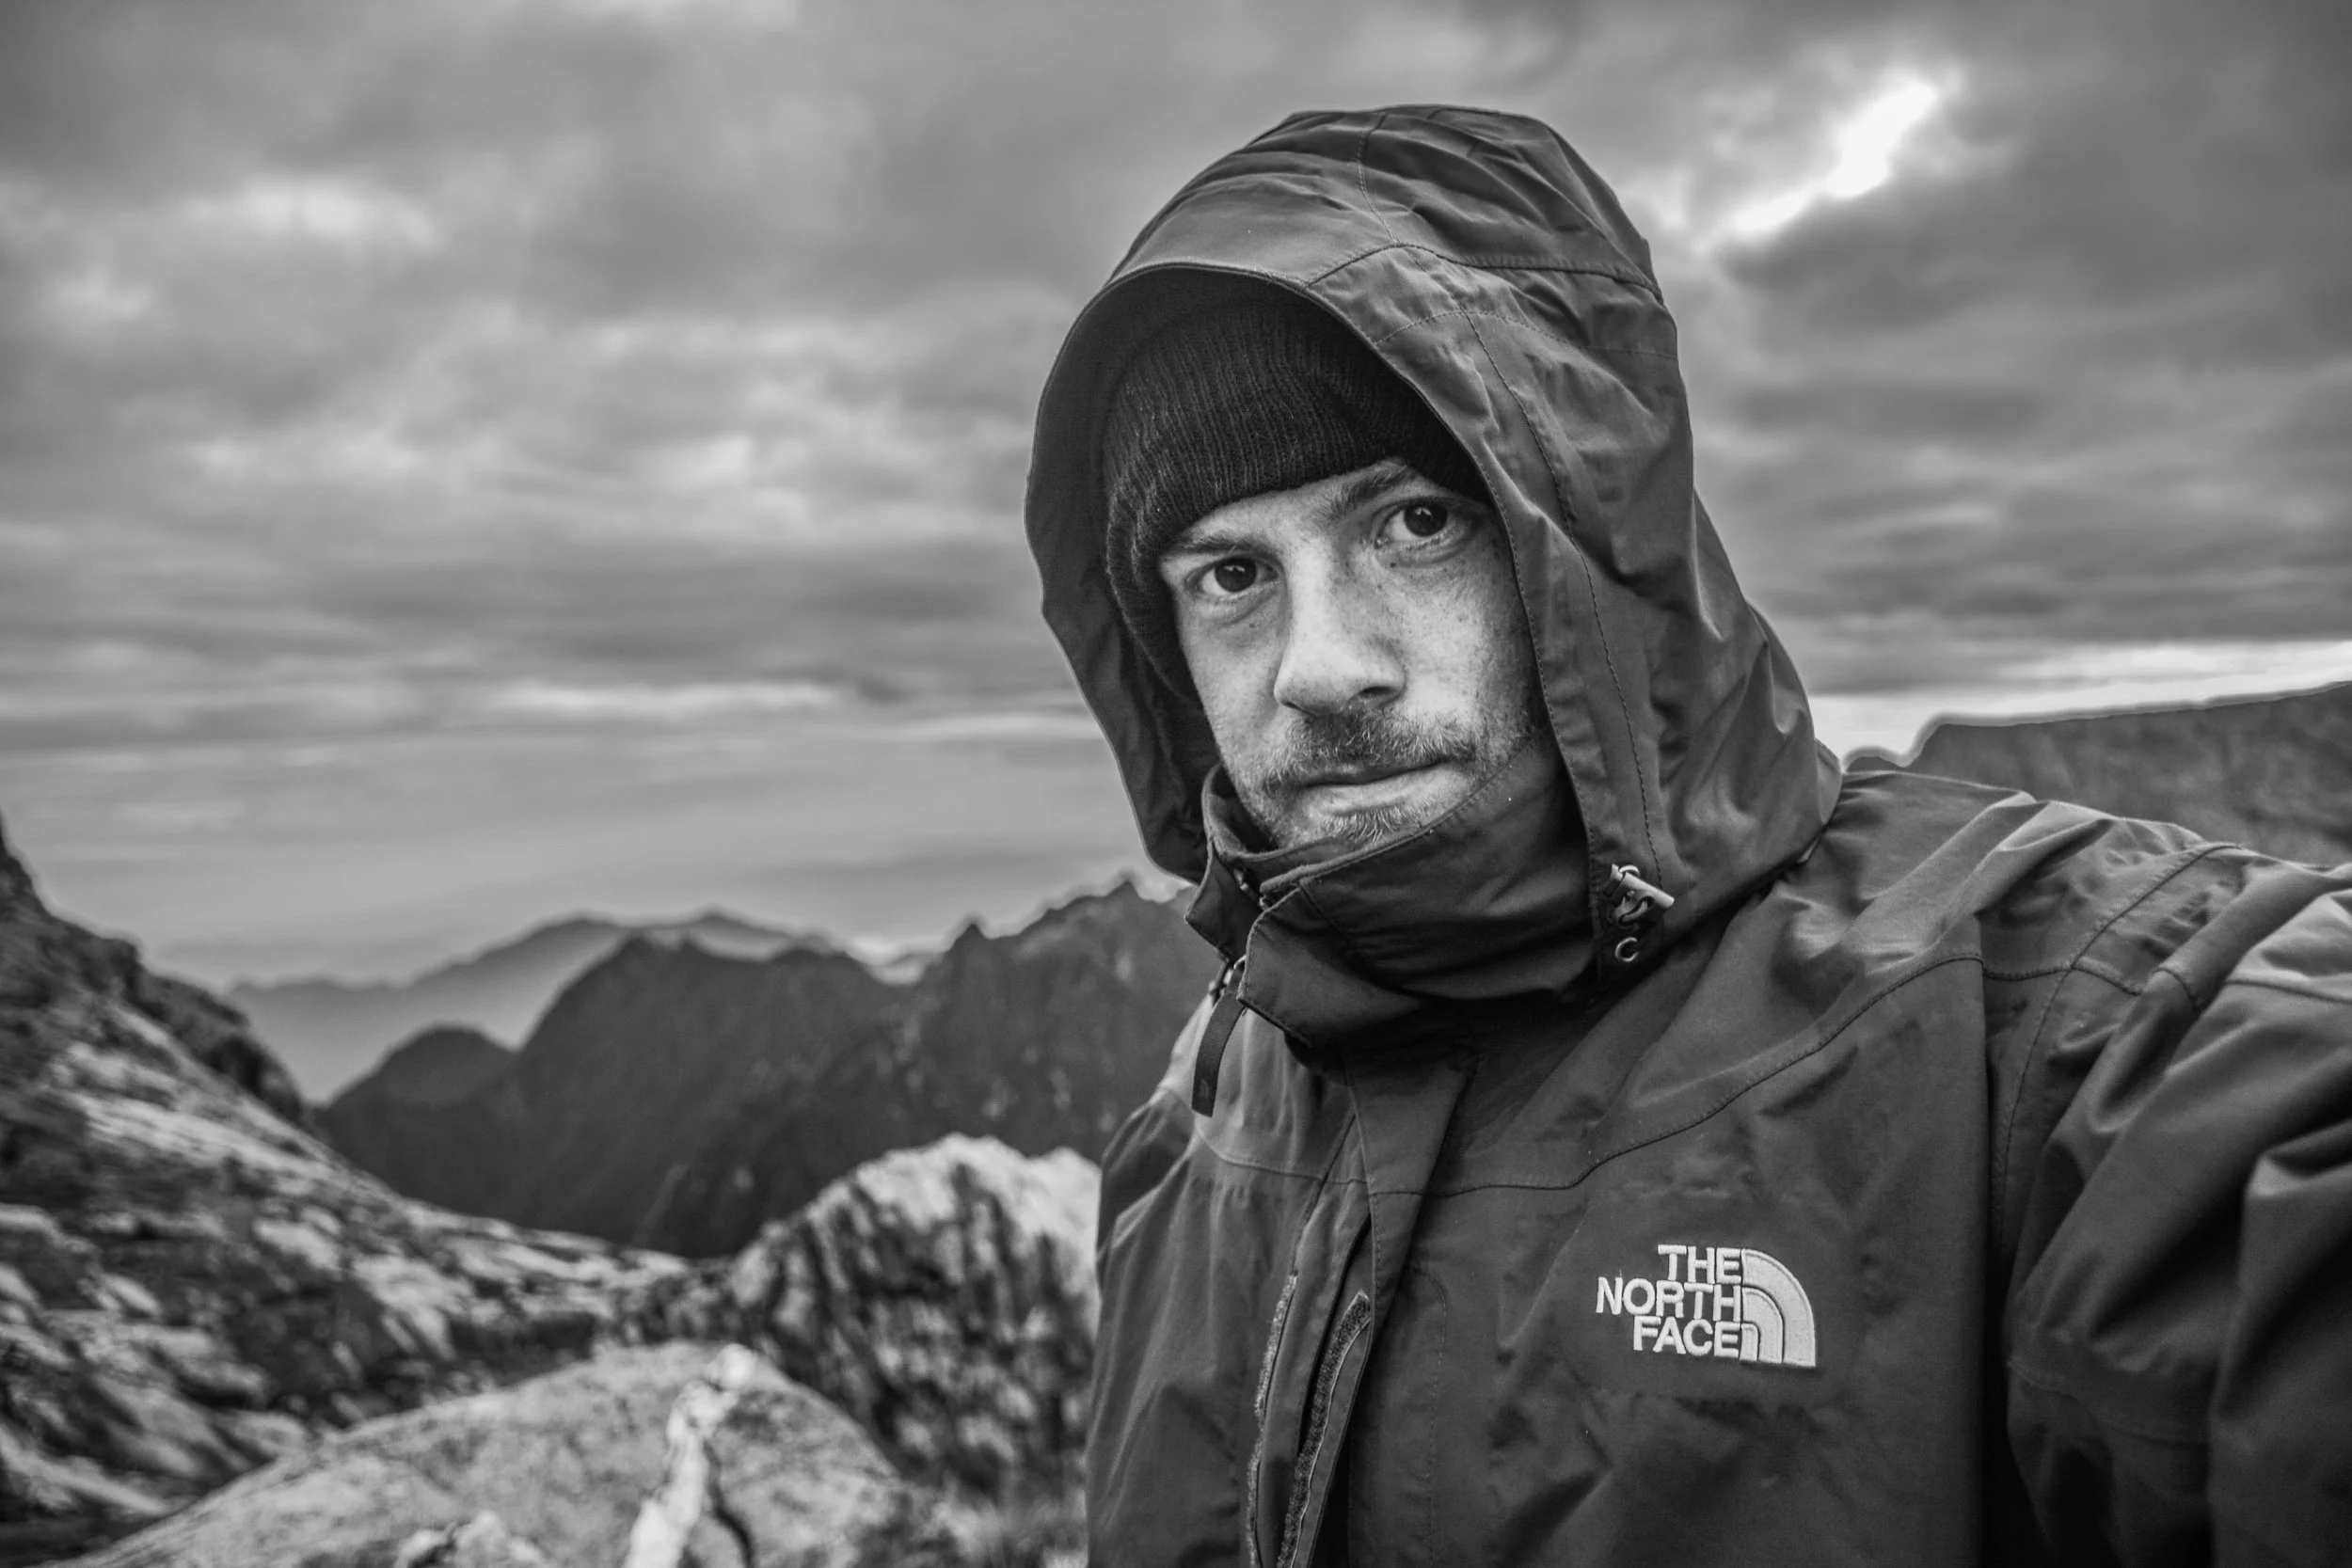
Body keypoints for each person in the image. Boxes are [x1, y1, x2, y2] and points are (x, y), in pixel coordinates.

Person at [1021, 104, 2352, 1567]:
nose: (1319, 667)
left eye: (1413, 524)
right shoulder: (1196, 1127)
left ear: (1584, 536)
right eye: (1229, 573)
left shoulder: (2029, 1047)